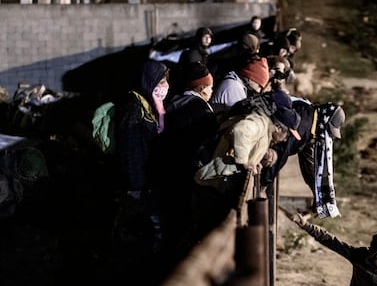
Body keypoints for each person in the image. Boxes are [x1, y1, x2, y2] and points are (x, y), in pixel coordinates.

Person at [193, 90, 300, 233]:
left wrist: (256, 160)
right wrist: (244, 162)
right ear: (279, 127)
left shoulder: (265, 130)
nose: (286, 139)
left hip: (215, 185)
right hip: (211, 184)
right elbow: (240, 131)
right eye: (287, 134)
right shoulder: (260, 123)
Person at [151, 62, 218, 254]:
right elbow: (210, 140)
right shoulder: (200, 109)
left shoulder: (173, 102)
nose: (212, 91)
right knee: (183, 223)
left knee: (168, 221)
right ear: (201, 88)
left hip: (166, 170)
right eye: (210, 87)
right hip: (187, 173)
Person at [113, 59, 169, 256]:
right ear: (149, 80)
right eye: (161, 81)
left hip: (149, 179)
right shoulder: (133, 109)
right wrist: (135, 186)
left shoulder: (149, 106)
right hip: (140, 183)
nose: (165, 86)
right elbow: (130, 150)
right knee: (145, 225)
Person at [262, 99, 345, 218]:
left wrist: (320, 199)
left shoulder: (310, 117)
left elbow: (310, 164)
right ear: (325, 121)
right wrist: (264, 183)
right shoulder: (304, 127)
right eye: (328, 130)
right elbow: (281, 152)